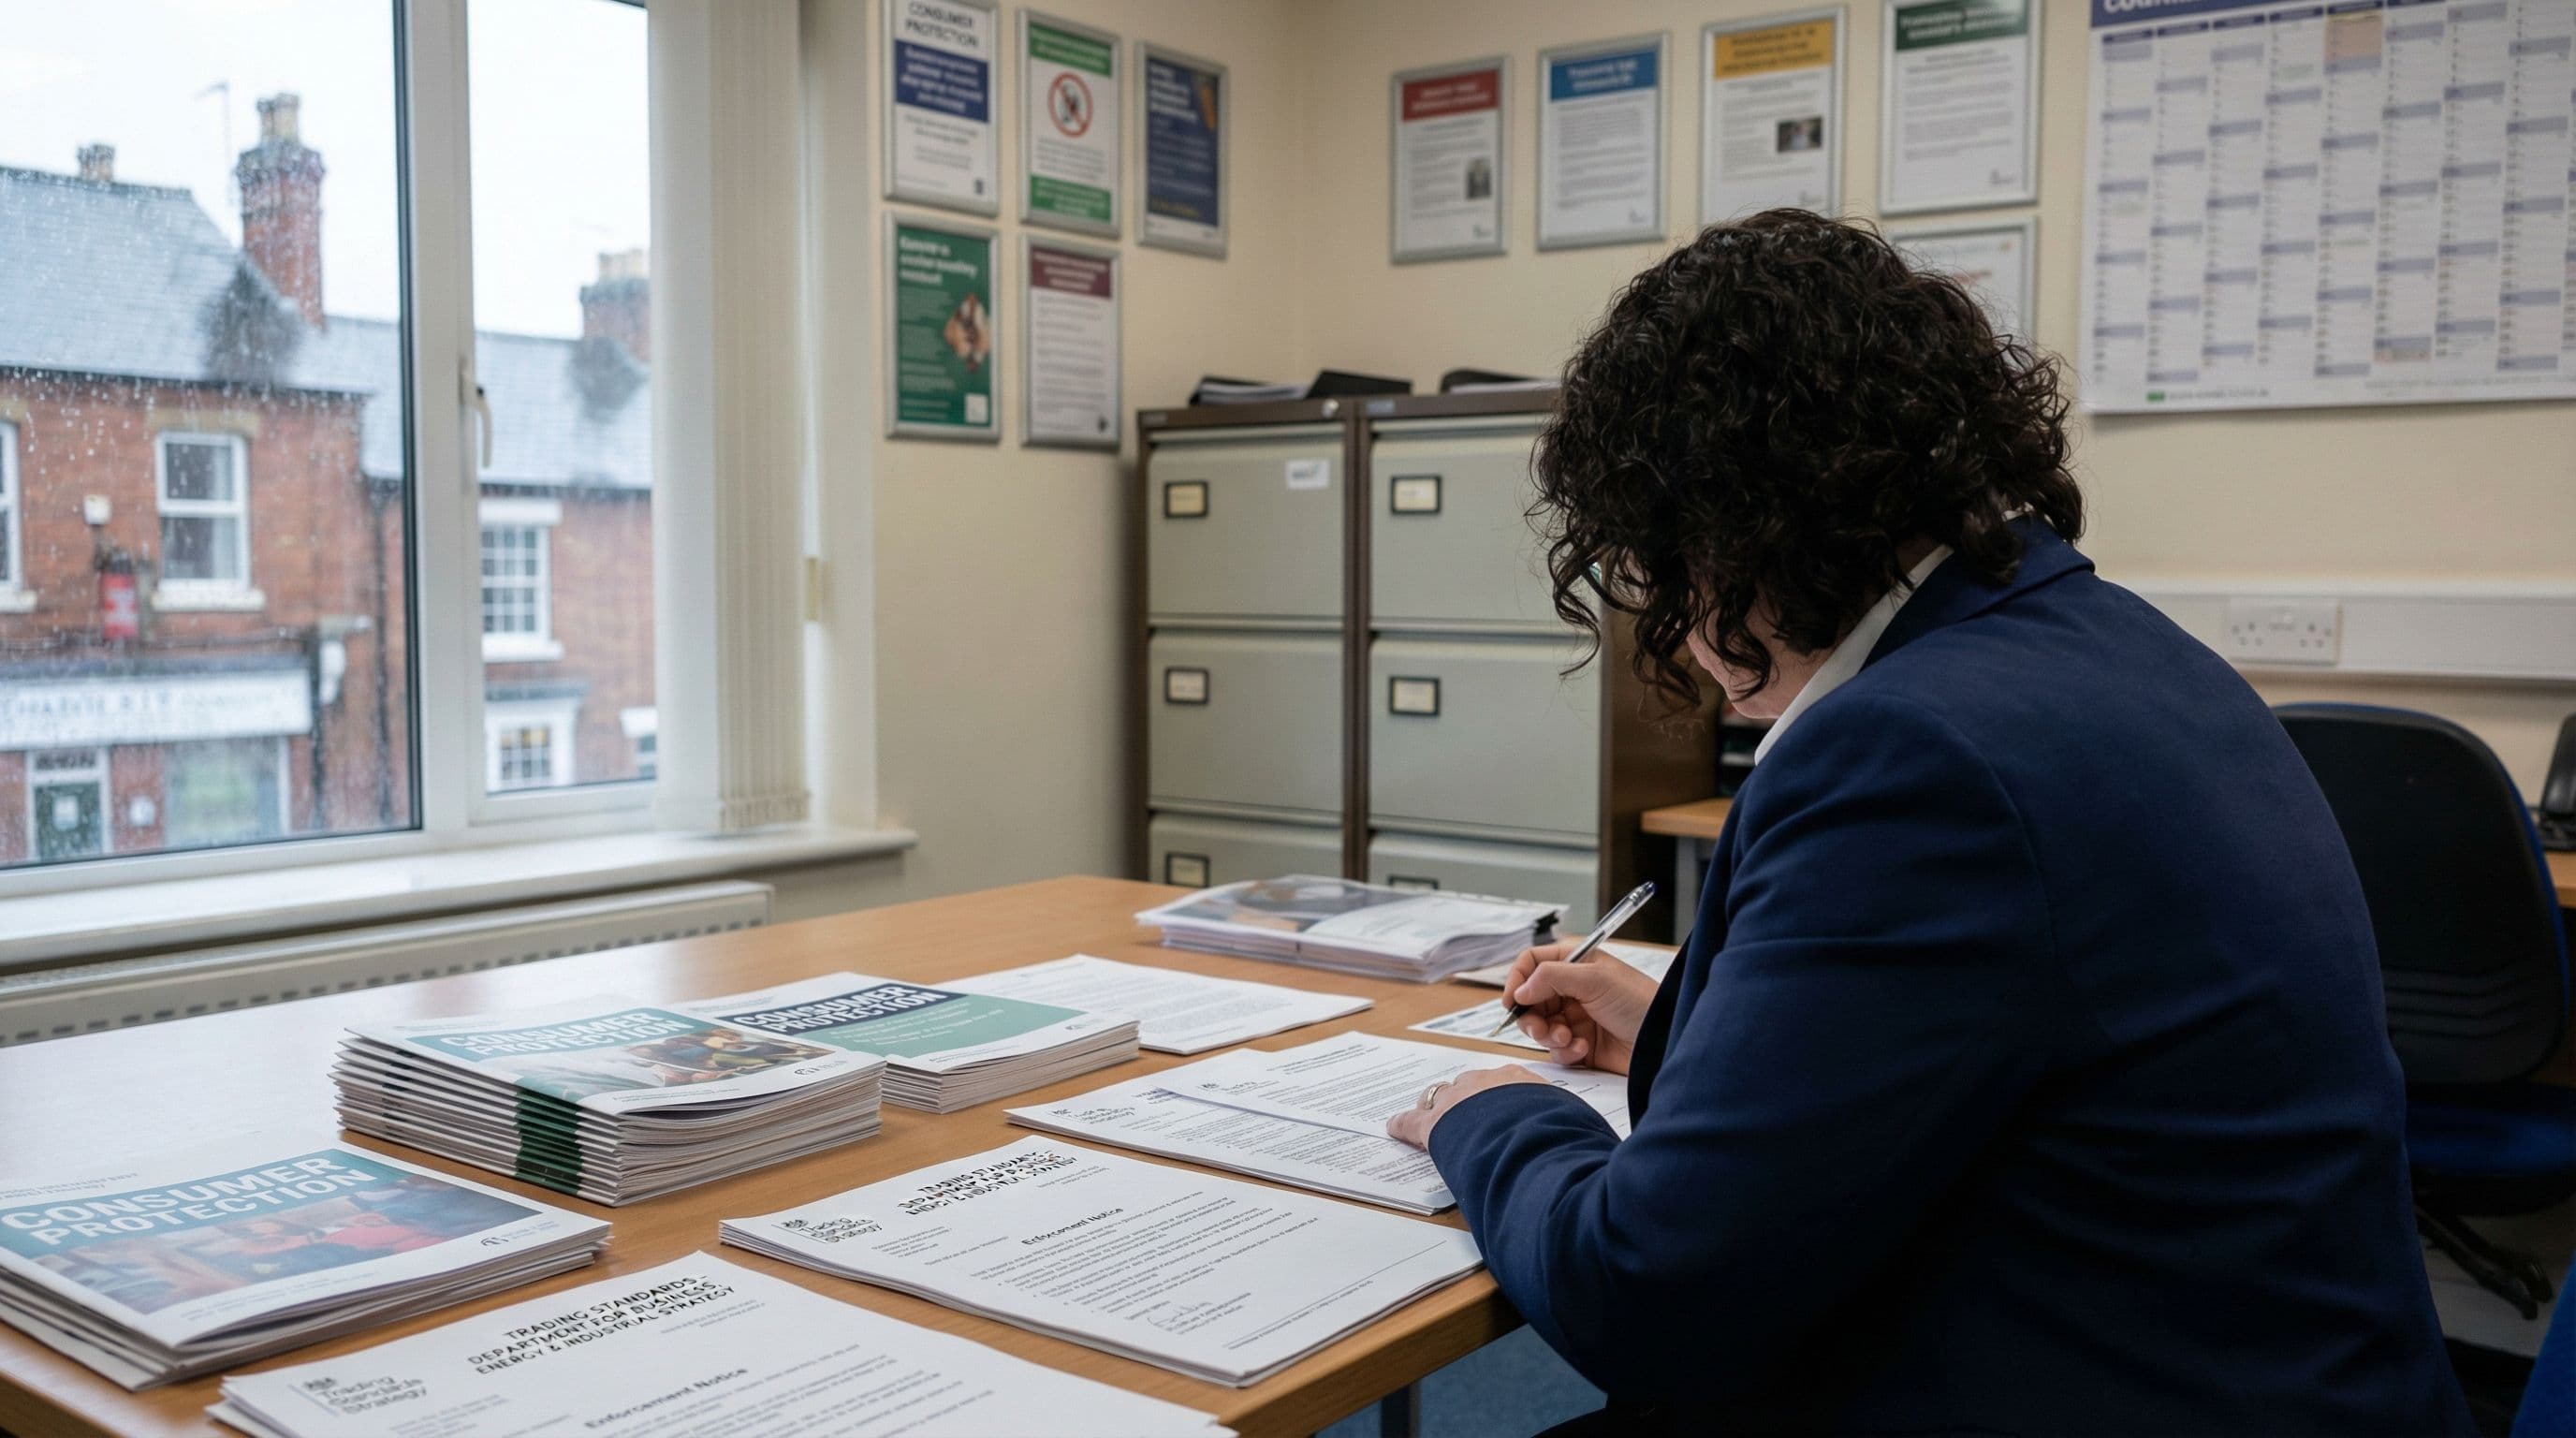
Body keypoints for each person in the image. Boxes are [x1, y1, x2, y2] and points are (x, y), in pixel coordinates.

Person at [1383, 211, 2468, 1435]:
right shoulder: (2122, 650)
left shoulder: (1907, 755)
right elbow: (2005, 1048)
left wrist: (1494, 1118)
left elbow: (1646, 1294)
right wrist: (1682, 1036)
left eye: (1651, 565)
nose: (1670, 628)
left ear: (1722, 531)